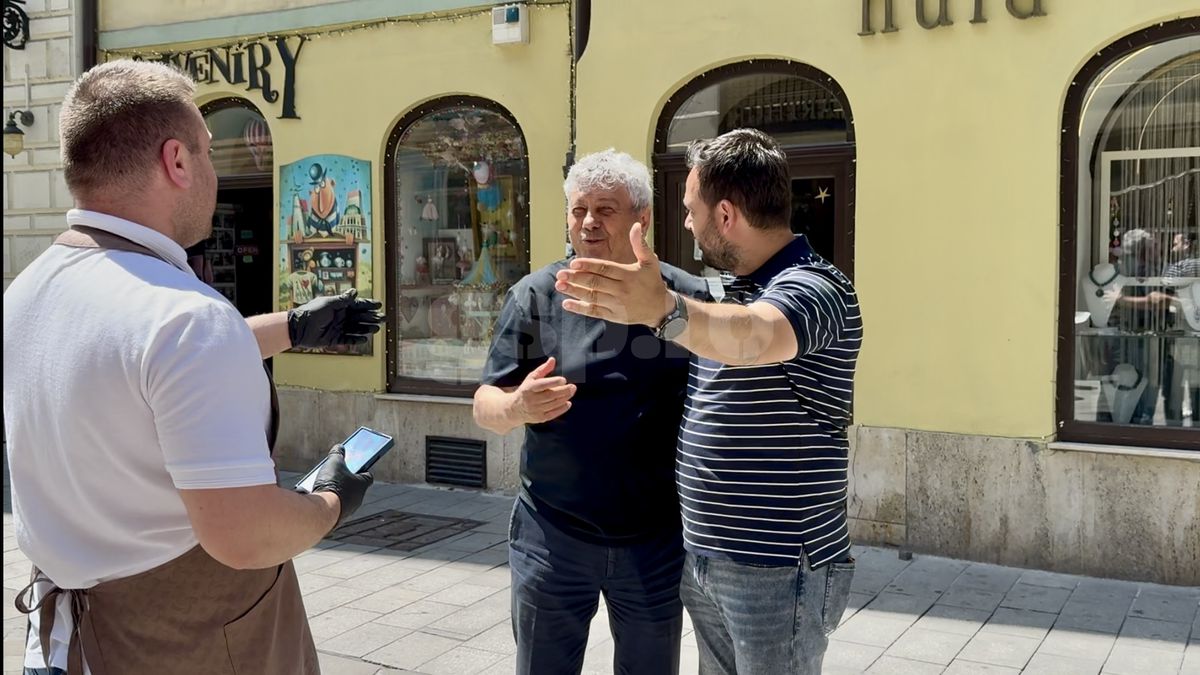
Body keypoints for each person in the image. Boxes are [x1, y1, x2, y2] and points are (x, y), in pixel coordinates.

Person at [2, 60, 383, 675]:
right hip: (190, 639)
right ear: (177, 161)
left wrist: (291, 326)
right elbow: (245, 536)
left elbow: (133, 367)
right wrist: (332, 499)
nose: (213, 171)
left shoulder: (28, 290)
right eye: (206, 150)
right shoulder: (186, 319)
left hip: (71, 637)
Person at [555, 129, 863, 674]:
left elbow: (759, 337)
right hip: (706, 558)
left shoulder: (816, 286)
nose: (687, 224)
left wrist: (662, 310)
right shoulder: (734, 288)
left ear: (725, 215)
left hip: (775, 567)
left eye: (691, 211)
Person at [472, 149, 710, 675]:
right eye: (579, 210)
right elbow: (486, 405)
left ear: (642, 219)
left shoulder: (683, 298)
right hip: (552, 534)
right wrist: (517, 405)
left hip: (655, 539)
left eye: (605, 210)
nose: (588, 223)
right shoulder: (535, 297)